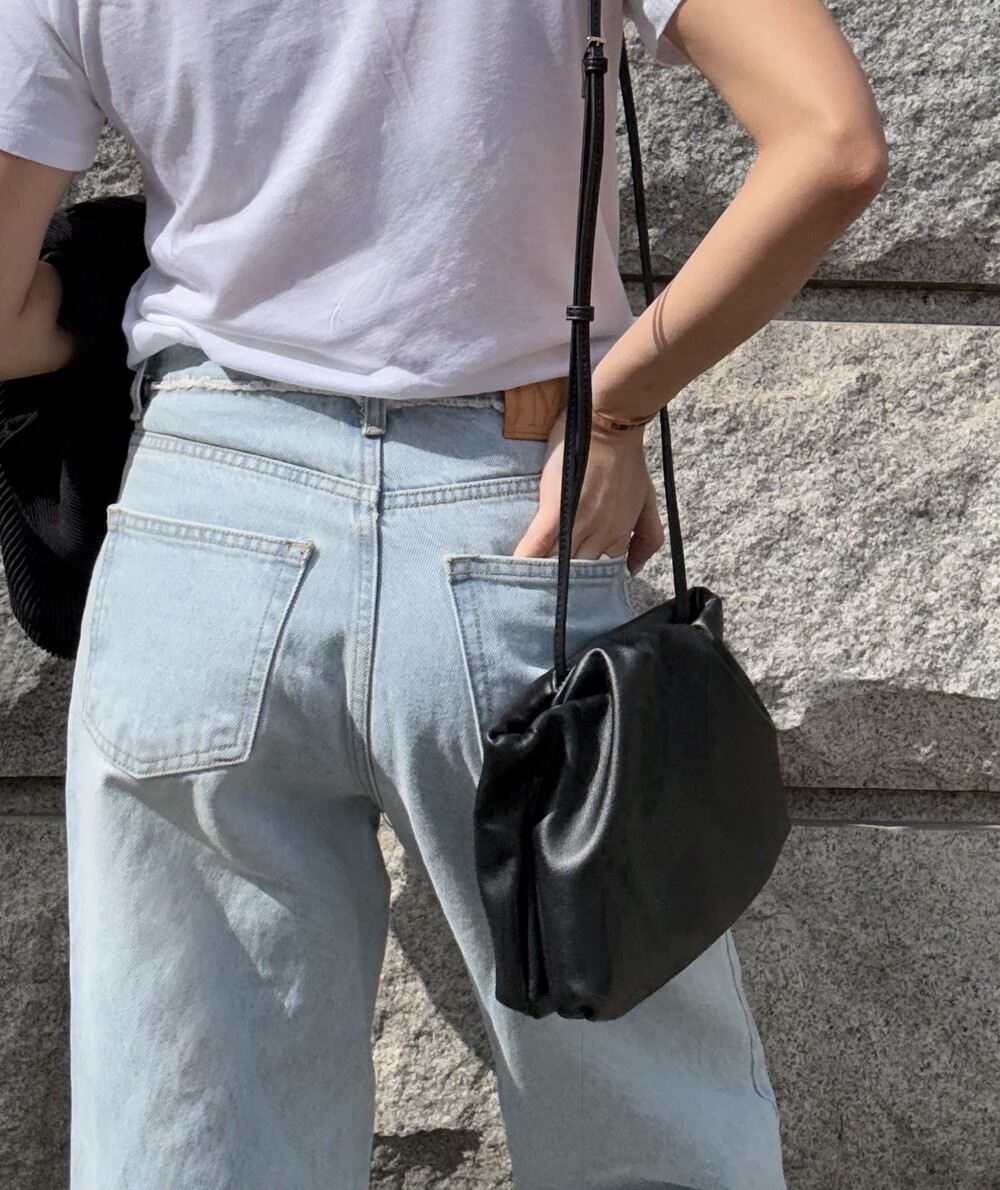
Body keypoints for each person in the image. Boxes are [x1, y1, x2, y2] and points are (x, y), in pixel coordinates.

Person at [0, 0, 887, 1186]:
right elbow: (831, 144)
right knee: (642, 1123)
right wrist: (613, 409)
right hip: (513, 523)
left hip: (202, 534)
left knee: (193, 1135)